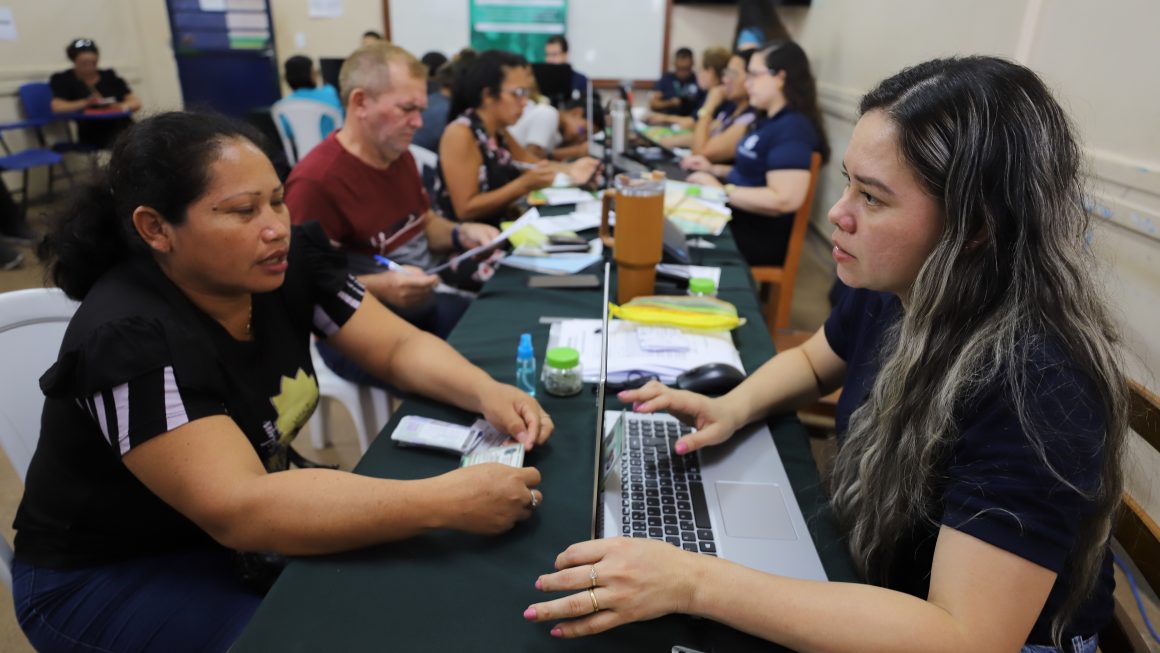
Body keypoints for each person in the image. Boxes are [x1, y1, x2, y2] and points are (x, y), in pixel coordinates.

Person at [524, 56, 1127, 653]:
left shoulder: (1038, 382)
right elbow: (816, 363)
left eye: (871, 197)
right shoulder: (904, 284)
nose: (837, 214)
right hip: (890, 588)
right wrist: (732, 406)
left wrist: (694, 581)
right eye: (849, 181)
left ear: (973, 228)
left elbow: (964, 636)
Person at [13, 111, 553, 652]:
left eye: (276, 200)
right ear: (155, 228)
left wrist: (487, 391)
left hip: (229, 542)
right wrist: (442, 501)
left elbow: (396, 346)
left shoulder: (280, 264)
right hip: (111, 575)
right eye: (243, 211)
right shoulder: (130, 336)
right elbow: (240, 507)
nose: (275, 226)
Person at [285, 42, 501, 385]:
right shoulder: (317, 183)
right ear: (360, 103)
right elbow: (300, 287)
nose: (418, 122)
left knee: (502, 339)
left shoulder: (399, 156)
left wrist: (462, 233)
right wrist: (383, 288)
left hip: (421, 303)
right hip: (357, 331)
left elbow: (424, 224)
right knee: (474, 376)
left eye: (421, 108)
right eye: (406, 109)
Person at [682, 41, 830, 267]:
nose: (747, 83)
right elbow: (753, 172)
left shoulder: (793, 129)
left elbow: (783, 199)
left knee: (676, 239)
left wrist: (722, 191)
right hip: (738, 218)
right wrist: (713, 169)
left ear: (780, 78)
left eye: (754, 75)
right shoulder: (767, 120)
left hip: (756, 236)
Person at [434, 50, 599, 225]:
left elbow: (531, 163)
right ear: (488, 95)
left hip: (501, 230)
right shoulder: (460, 133)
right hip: (473, 241)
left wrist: (572, 169)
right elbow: (466, 209)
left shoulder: (498, 131)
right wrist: (523, 185)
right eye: (518, 93)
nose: (525, 102)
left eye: (526, 93)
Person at [49, 37, 140, 148]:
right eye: (84, 63)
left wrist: (119, 107)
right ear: (74, 60)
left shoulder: (109, 76)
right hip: (92, 132)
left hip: (123, 126)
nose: (89, 67)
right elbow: (57, 107)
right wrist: (86, 103)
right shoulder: (64, 79)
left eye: (93, 62)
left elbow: (135, 102)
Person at [686, 49, 759, 163]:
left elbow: (700, 152)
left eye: (733, 74)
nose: (725, 80)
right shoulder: (732, 108)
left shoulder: (751, 118)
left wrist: (709, 106)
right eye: (726, 73)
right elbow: (700, 138)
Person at [646, 47, 733, 139]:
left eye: (701, 69)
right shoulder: (708, 93)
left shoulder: (721, 98)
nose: (699, 73)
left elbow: (697, 124)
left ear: (710, 72)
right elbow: (695, 120)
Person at [279, 54, 344, 143]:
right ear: (311, 74)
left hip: (304, 155)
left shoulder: (283, 106)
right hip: (332, 150)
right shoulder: (330, 92)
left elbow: (287, 133)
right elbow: (341, 119)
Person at [649, 47, 700, 117]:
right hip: (667, 120)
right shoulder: (666, 79)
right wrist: (669, 103)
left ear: (692, 64)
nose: (683, 72)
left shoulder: (698, 80)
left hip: (690, 121)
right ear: (675, 64)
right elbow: (653, 104)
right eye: (680, 68)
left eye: (687, 68)